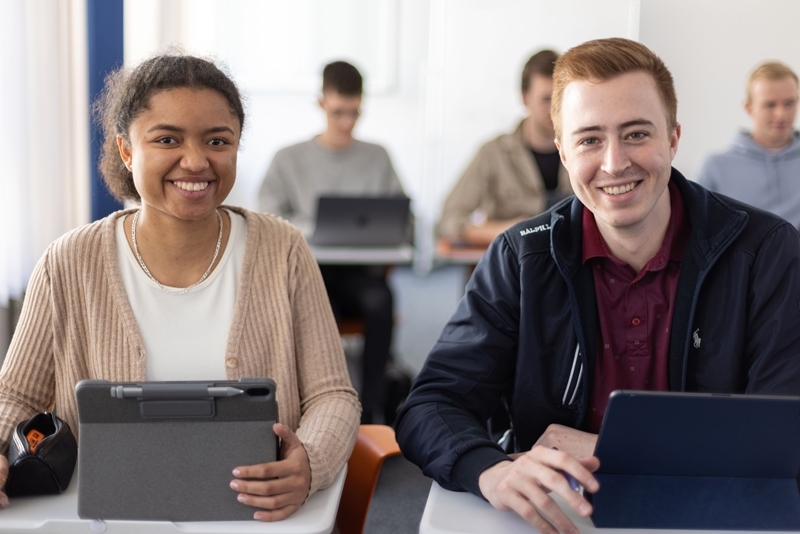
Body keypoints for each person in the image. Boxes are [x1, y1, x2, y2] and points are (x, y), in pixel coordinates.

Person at [396, 37, 800, 534]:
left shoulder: (767, 252)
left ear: (673, 138)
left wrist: (604, 448)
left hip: (712, 512)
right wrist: (492, 470)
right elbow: (432, 404)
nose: (614, 163)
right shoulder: (522, 257)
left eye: (636, 134)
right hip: (559, 517)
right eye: (589, 139)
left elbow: (782, 432)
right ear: (563, 151)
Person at [0, 54, 360, 520]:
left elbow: (333, 395)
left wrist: (309, 461)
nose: (195, 161)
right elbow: (15, 397)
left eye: (217, 140)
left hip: (254, 516)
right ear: (127, 151)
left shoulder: (283, 249)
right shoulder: (68, 262)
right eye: (167, 139)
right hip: (109, 517)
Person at [259, 60, 405, 424]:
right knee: (318, 311)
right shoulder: (288, 158)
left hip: (360, 273)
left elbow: (402, 218)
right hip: (309, 271)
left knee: (381, 301)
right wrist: (313, 227)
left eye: (354, 113)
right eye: (338, 112)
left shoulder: (377, 157)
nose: (346, 122)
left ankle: (373, 409)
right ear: (321, 103)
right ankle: (314, 410)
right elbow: (267, 220)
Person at [437, 50, 573, 246]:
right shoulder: (492, 154)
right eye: (546, 99)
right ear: (525, 99)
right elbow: (448, 220)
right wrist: (507, 231)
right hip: (512, 265)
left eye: (560, 99)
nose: (555, 110)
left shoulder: (587, 150)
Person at [696, 61, 800, 228]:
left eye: (789, 103)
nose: (781, 114)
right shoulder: (715, 167)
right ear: (749, 107)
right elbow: (700, 233)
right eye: (770, 105)